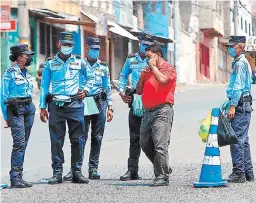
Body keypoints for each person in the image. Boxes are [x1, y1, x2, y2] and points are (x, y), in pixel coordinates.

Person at [39, 32, 94, 184]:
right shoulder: (50, 64)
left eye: (69, 45)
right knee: (56, 140)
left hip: (75, 104)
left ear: (73, 46)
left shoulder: (79, 62)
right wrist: (42, 107)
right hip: (56, 105)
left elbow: (90, 77)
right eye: (65, 44)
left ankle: (76, 171)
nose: (67, 47)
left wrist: (85, 90)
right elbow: (43, 86)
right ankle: (57, 172)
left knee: (78, 139)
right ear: (59, 44)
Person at [63, 37, 113, 181]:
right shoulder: (78, 64)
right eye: (93, 49)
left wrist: (110, 106)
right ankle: (75, 169)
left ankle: (93, 169)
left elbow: (107, 87)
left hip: (99, 103)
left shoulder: (103, 67)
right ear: (87, 49)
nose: (95, 52)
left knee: (97, 137)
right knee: (80, 137)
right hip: (82, 102)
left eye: (97, 49)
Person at [117, 31, 156, 181]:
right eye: (143, 44)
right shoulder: (131, 59)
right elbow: (122, 76)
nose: (144, 47)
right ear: (139, 42)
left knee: (154, 138)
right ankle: (132, 170)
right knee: (135, 137)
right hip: (135, 100)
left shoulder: (155, 60)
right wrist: (121, 92)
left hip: (151, 100)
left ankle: (160, 169)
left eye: (148, 45)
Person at [136, 44, 176, 186]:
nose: (147, 59)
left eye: (149, 56)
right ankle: (163, 166)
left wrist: (153, 68)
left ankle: (162, 176)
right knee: (144, 142)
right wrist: (142, 76)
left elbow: (163, 80)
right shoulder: (147, 71)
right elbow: (139, 91)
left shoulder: (168, 68)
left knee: (160, 144)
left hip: (162, 110)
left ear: (157, 55)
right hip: (148, 111)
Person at [1, 44, 35, 188]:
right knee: (19, 144)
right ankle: (14, 178)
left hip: (29, 108)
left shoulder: (27, 73)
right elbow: (3, 96)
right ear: (19, 57)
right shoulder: (9, 73)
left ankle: (19, 176)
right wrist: (6, 118)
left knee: (24, 143)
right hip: (16, 109)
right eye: (27, 55)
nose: (29, 58)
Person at [225, 36, 254, 183]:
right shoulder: (242, 62)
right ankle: (248, 173)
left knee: (236, 139)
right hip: (244, 104)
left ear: (240, 47)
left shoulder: (240, 64)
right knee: (243, 140)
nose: (229, 49)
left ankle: (239, 173)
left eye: (232, 46)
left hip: (240, 105)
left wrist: (232, 106)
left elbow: (238, 86)